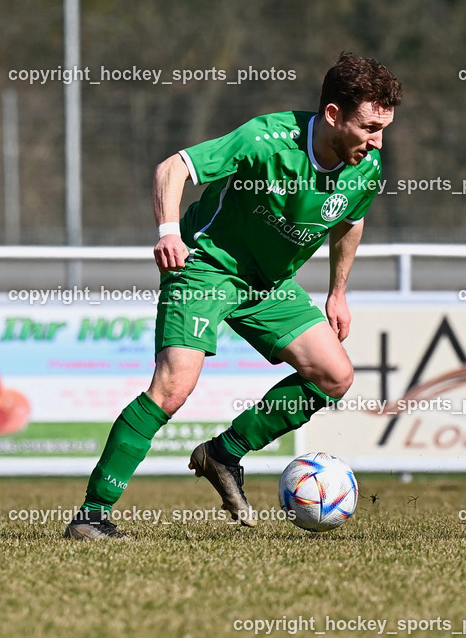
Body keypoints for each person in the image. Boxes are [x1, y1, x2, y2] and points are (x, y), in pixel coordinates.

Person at [65, 52, 402, 540]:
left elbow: (351, 221)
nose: (377, 141)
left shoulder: (365, 166)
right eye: (370, 127)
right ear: (333, 115)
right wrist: (167, 231)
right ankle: (92, 516)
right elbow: (172, 168)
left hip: (267, 285)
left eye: (384, 128)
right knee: (174, 387)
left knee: (333, 376)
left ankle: (224, 453)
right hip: (205, 265)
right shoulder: (266, 138)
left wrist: (338, 293)